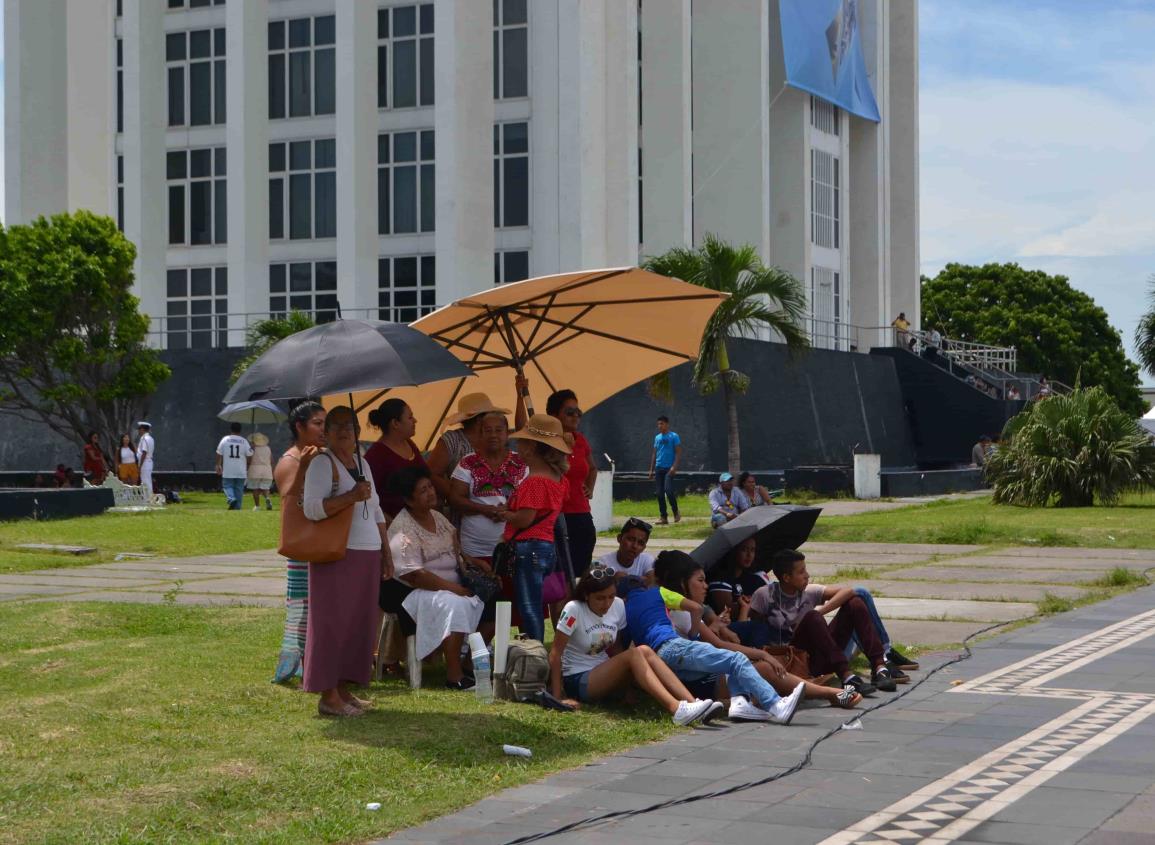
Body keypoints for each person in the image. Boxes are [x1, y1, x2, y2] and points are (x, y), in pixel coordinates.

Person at [662, 552, 861, 711]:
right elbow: (719, 647)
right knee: (764, 669)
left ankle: (797, 691)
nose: (706, 586)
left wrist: (762, 653)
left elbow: (719, 644)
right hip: (704, 682)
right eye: (700, 581)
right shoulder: (681, 614)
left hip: (711, 674)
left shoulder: (688, 614)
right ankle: (829, 693)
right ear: (682, 585)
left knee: (762, 668)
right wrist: (762, 655)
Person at [619, 559, 805, 725]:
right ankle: (775, 704)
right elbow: (695, 608)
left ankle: (740, 704)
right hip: (673, 647)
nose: (705, 585)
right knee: (737, 659)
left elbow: (624, 647)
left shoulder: (625, 610)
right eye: (701, 580)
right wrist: (693, 633)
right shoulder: (656, 593)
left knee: (727, 665)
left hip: (662, 664)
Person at [301, 406, 392, 717]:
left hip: (367, 551)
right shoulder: (322, 464)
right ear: (325, 432)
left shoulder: (363, 464)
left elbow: (377, 510)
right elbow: (312, 509)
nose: (344, 431)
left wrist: (385, 551)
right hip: (337, 553)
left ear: (358, 432)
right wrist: (351, 496)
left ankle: (341, 688)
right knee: (332, 624)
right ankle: (328, 695)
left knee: (357, 624)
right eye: (336, 425)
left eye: (350, 426)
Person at [549, 563, 719, 724]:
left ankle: (692, 703)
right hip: (578, 678)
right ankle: (676, 709)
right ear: (586, 595)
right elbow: (556, 653)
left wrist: (627, 689)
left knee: (643, 650)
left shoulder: (617, 606)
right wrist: (557, 698)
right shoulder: (573, 609)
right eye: (600, 598)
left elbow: (617, 648)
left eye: (610, 596)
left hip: (603, 671)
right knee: (635, 653)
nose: (607, 603)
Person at [749, 549, 898, 697]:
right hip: (793, 660)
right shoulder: (764, 595)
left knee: (855, 603)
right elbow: (752, 630)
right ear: (786, 577)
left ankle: (879, 667)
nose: (807, 576)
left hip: (823, 653)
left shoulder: (808, 592)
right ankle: (846, 676)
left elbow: (849, 591)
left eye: (805, 570)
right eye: (801, 572)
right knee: (813, 617)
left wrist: (821, 611)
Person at [389, 466, 486, 690]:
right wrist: (453, 589)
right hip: (413, 592)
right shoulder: (403, 528)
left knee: (490, 598)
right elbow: (415, 575)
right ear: (410, 500)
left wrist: (472, 562)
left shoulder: (438, 517)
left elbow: (456, 550)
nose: (431, 493)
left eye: (430, 486)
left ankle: (468, 663)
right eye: (423, 491)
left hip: (450, 586)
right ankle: (454, 676)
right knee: (455, 603)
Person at [272, 400, 326, 684]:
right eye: (317, 423)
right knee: (302, 604)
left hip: (322, 540)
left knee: (319, 604)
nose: (323, 429)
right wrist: (304, 467)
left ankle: (316, 663)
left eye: (324, 423)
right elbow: (288, 498)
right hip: (303, 544)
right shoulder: (289, 460)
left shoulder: (320, 455)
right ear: (299, 426)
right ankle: (299, 664)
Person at [503, 413, 570, 642]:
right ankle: (535, 649)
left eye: (521, 442)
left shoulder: (534, 482)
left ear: (531, 448)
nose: (518, 447)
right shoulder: (559, 478)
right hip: (547, 546)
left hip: (528, 547)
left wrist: (504, 514)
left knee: (528, 606)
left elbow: (524, 519)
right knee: (534, 603)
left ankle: (534, 653)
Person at [449, 411, 527, 562]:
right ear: (480, 434)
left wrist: (507, 508)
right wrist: (486, 510)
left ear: (507, 433)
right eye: (488, 430)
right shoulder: (468, 462)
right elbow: (455, 498)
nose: (493, 435)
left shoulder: (521, 462)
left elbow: (530, 500)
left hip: (513, 545)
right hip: (474, 548)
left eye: (499, 430)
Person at [428, 392, 514, 513]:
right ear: (479, 420)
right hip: (464, 513)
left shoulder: (495, 440)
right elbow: (432, 474)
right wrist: (460, 496)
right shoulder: (452, 440)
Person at [548, 389, 598, 579]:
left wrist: (589, 488)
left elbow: (592, 468)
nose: (576, 416)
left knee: (581, 571)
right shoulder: (548, 442)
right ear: (554, 415)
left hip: (582, 514)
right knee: (560, 575)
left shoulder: (581, 440)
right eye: (569, 412)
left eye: (578, 412)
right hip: (559, 515)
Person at [364, 398, 427, 519]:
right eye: (410, 417)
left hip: (419, 520)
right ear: (395, 423)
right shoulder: (376, 456)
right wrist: (393, 526)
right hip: (396, 527)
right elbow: (370, 500)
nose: (415, 420)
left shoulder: (410, 444)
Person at [705, 537, 772, 647]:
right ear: (733, 551)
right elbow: (728, 611)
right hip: (726, 628)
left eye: (753, 550)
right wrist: (750, 605)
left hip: (748, 626)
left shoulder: (755, 577)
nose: (749, 555)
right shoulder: (721, 580)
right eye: (744, 549)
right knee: (760, 628)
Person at [595, 517, 656, 583]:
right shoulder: (603, 562)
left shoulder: (647, 560)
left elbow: (652, 581)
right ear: (619, 538)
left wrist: (625, 579)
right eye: (631, 539)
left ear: (644, 547)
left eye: (640, 543)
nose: (634, 546)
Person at [648, 416, 681, 525]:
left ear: (667, 424)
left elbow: (678, 453)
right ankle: (663, 517)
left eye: (661, 424)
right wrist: (651, 470)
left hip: (669, 469)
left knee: (668, 490)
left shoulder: (674, 436)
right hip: (659, 468)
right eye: (658, 424)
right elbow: (654, 453)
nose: (659, 426)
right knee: (659, 493)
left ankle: (676, 512)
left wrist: (674, 467)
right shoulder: (657, 437)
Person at [215, 422, 253, 511]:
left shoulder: (225, 439)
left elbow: (218, 453)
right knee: (239, 489)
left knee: (227, 485)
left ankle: (231, 498)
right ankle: (237, 508)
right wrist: (248, 464)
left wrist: (218, 464)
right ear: (240, 430)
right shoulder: (244, 441)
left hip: (228, 469)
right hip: (241, 470)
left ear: (231, 429)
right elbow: (250, 455)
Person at [247, 432, 274, 511]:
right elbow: (272, 460)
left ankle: (257, 506)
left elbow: (249, 460)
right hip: (267, 471)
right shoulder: (268, 448)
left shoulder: (252, 448)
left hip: (255, 471)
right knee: (265, 487)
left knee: (255, 489)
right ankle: (267, 498)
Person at [136, 421, 155, 499]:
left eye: (139, 429)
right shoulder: (150, 438)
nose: (138, 431)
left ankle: (148, 499)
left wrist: (140, 465)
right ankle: (148, 498)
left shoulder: (144, 438)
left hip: (145, 462)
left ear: (143, 429)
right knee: (147, 480)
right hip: (148, 462)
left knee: (145, 481)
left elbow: (144, 452)